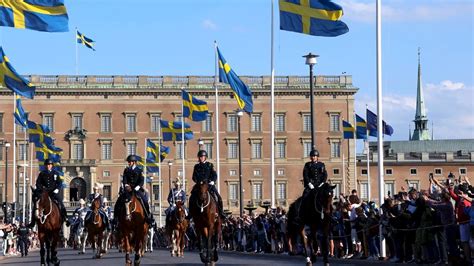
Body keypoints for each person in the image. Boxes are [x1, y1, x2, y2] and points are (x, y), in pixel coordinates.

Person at [113, 155, 154, 224]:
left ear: (134, 162)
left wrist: (137, 187)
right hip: (128, 190)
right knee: (118, 202)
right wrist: (126, 185)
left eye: (130, 162)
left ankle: (148, 217)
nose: (128, 163)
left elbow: (141, 181)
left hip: (137, 190)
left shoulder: (139, 170)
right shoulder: (126, 170)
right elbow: (124, 180)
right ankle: (116, 218)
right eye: (128, 162)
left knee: (144, 200)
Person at [29, 159, 69, 228]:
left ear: (52, 166)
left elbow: (59, 182)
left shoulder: (55, 173)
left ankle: (65, 218)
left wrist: (57, 189)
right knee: (36, 205)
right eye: (47, 165)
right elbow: (38, 183)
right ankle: (32, 222)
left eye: (50, 165)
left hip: (53, 193)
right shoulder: (42, 173)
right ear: (45, 166)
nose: (48, 166)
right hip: (44, 193)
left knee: (60, 203)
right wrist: (41, 189)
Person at [191, 150, 225, 219]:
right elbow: (194, 177)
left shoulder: (209, 165)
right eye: (200, 157)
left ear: (205, 157)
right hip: (199, 185)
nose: (201, 158)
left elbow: (214, 175)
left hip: (209, 185)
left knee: (218, 197)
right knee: (192, 197)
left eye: (202, 157)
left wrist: (212, 181)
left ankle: (221, 212)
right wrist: (198, 182)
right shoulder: (196, 166)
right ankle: (190, 213)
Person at [299, 149, 328, 219]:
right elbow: (305, 175)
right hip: (311, 185)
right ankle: (302, 212)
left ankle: (327, 212)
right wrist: (309, 184)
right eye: (312, 156)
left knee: (327, 196)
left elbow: (325, 175)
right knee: (305, 195)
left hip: (319, 185)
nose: (313, 157)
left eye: (315, 156)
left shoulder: (321, 164)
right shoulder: (307, 165)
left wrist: (322, 183)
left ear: (317, 157)